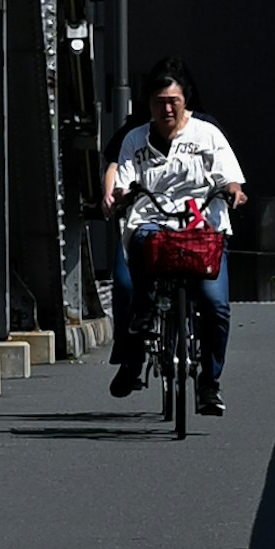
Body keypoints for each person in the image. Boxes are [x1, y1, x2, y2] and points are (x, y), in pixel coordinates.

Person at [105, 59, 247, 414]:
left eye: (173, 100)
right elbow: (120, 177)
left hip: (201, 232)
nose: (166, 108)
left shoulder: (207, 134)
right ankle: (133, 354)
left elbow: (229, 176)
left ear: (185, 100)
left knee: (215, 304)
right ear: (148, 104)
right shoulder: (134, 139)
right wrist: (118, 196)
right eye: (158, 101)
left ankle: (209, 383)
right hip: (152, 225)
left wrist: (233, 191)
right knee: (129, 282)